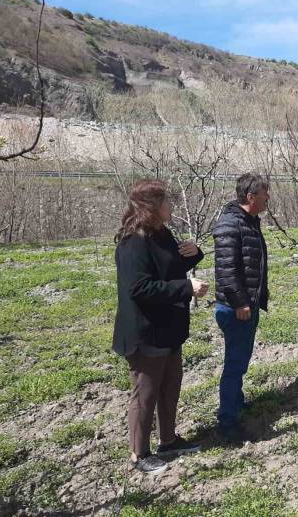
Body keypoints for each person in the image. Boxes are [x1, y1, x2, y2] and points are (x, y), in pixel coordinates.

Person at [112, 179, 209, 474]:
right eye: (167, 202)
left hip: (168, 330)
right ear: (153, 207)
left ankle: (168, 441)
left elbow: (171, 267)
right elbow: (140, 288)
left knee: (169, 388)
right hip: (146, 333)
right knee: (145, 394)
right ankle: (139, 454)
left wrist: (195, 252)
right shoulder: (133, 241)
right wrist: (186, 288)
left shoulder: (161, 234)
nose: (171, 207)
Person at [213, 173, 270, 442]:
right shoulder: (230, 225)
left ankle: (235, 402)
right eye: (264, 193)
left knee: (241, 358)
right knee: (234, 364)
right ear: (251, 197)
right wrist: (240, 303)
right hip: (235, 308)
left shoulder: (249, 222)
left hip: (248, 304)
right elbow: (226, 271)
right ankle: (227, 421)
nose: (268, 197)